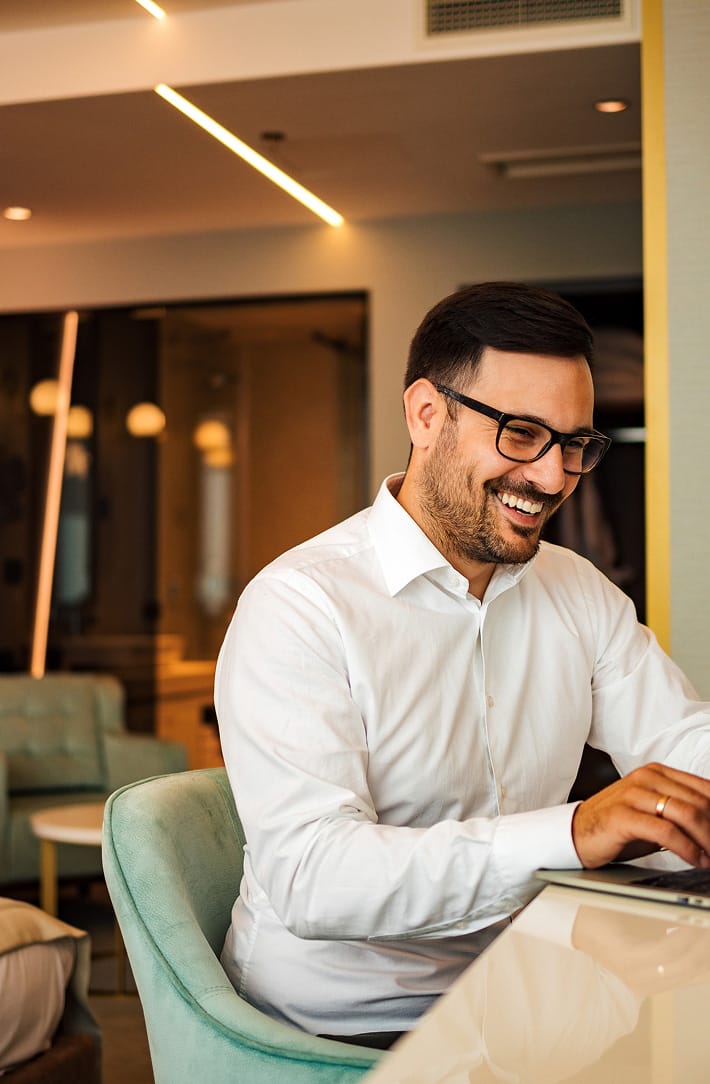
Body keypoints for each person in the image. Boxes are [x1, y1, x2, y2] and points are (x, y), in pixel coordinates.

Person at [215, 281, 710, 1045]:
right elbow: (315, 878)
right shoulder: (300, 606)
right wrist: (575, 832)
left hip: (533, 995)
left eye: (575, 444)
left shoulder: (577, 590)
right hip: (346, 1032)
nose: (552, 479)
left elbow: (684, 748)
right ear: (425, 413)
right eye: (520, 434)